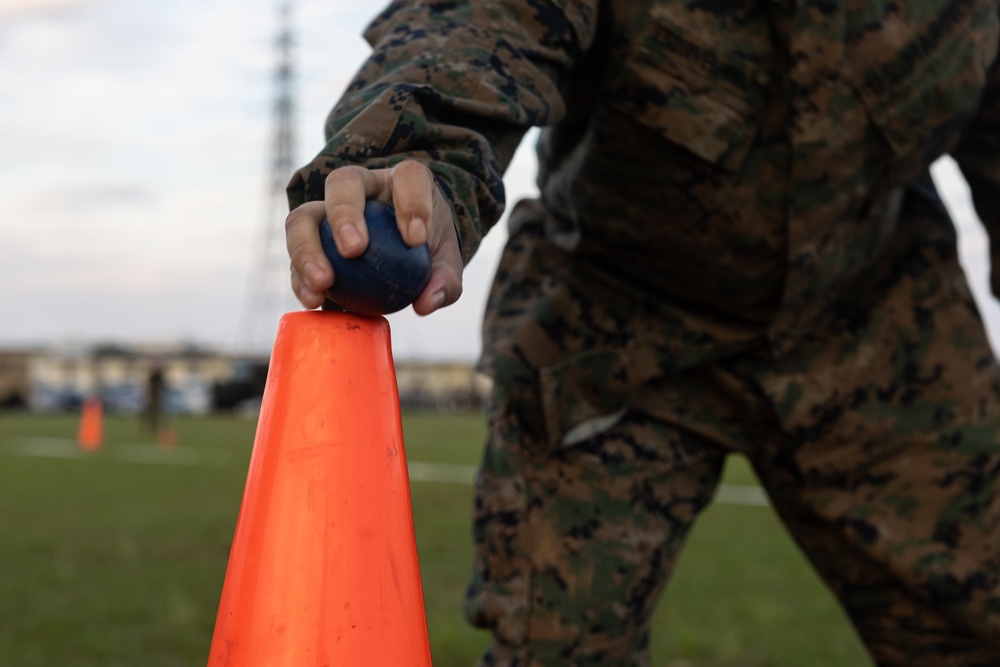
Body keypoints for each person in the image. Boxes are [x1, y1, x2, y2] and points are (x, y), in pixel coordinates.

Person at [284, 0, 1000, 664]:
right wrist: (410, 161)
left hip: (876, 322)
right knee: (558, 647)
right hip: (614, 323)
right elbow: (482, 22)